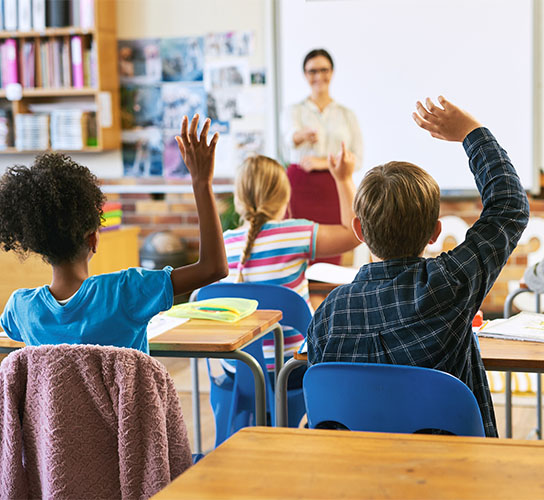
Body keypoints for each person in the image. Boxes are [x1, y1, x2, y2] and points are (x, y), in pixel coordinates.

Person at [306, 96, 530, 438]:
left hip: (355, 477)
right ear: (435, 233)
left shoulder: (328, 314)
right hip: (453, 477)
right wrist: (472, 132)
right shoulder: (449, 285)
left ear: (359, 232)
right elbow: (510, 205)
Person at [0, 114, 228, 352]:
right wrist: (201, 182)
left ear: (37, 245)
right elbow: (214, 268)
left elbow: (11, 331)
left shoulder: (21, 308)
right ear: (92, 239)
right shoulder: (126, 292)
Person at [221, 144, 359, 386]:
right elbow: (354, 233)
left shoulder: (224, 244)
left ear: (239, 199)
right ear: (285, 197)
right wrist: (343, 178)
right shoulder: (295, 233)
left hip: (237, 370)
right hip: (291, 369)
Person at [281, 48, 363, 264]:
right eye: (312, 71)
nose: (319, 76)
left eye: (324, 70)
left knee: (334, 248)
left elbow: (357, 157)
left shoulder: (347, 115)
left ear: (332, 72)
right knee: (296, 248)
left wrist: (322, 162)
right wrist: (301, 135)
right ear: (305, 75)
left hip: (334, 186)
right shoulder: (294, 111)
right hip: (300, 187)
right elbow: (289, 138)